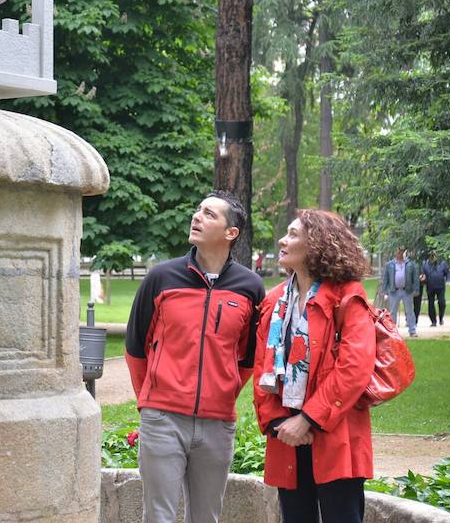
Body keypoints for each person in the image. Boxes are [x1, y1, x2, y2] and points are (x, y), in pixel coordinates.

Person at [125, 190, 264, 523]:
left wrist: (223, 391)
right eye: (198, 210)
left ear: (231, 233)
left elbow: (247, 359)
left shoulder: (250, 287)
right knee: (159, 516)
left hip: (217, 424)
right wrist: (153, 401)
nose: (197, 216)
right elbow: (134, 349)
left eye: (209, 214)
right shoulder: (161, 277)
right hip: (163, 419)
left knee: (207, 517)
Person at [253, 210, 376, 523]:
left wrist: (307, 420)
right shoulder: (276, 300)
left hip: (335, 433)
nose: (283, 240)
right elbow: (261, 367)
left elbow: (354, 368)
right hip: (286, 435)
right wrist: (280, 422)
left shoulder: (347, 297)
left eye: (293, 235)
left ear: (318, 245)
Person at [382, 247, 420, 337]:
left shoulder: (410, 264)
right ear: (395, 253)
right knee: (392, 312)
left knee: (409, 311)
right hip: (394, 291)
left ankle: (412, 330)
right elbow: (386, 278)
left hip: (407, 291)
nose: (400, 254)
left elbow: (415, 278)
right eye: (398, 252)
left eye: (402, 252)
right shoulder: (389, 264)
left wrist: (416, 289)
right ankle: (393, 332)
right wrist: (384, 292)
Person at [421, 251, 450, 326]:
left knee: (442, 303)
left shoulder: (442, 264)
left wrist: (448, 281)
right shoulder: (425, 264)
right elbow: (423, 275)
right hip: (430, 287)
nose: (433, 257)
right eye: (432, 255)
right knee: (431, 304)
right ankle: (433, 321)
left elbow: (447, 273)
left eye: (434, 255)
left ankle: (441, 318)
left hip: (440, 287)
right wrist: (422, 279)